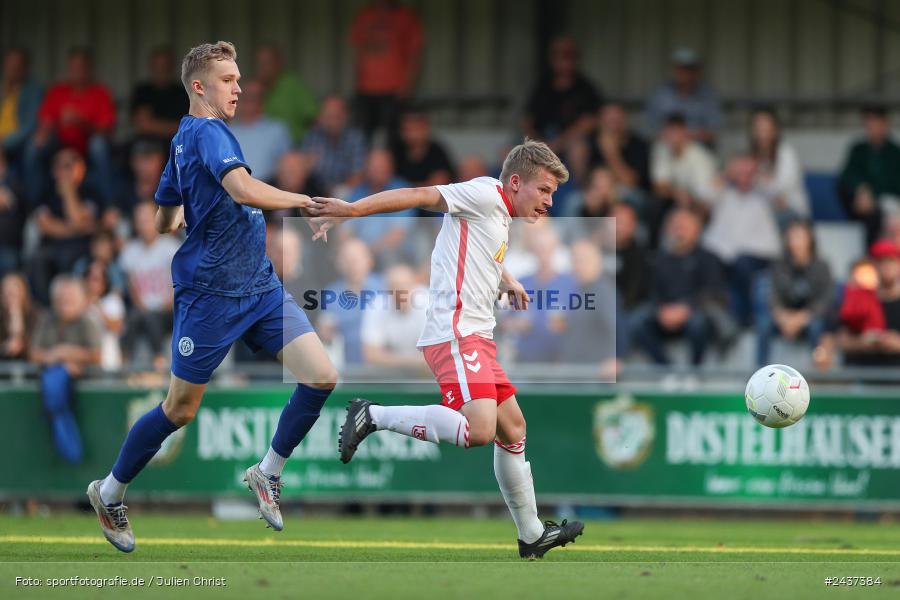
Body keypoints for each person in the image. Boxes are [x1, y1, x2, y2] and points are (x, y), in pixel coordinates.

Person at [86, 42, 338, 553]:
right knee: (179, 409)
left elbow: (162, 217)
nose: (239, 88)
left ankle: (267, 472)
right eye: (229, 80)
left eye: (239, 79)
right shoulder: (205, 131)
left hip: (259, 285)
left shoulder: (183, 140)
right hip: (210, 295)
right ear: (199, 87)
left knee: (321, 375)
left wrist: (182, 214)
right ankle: (109, 492)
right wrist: (306, 202)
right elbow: (243, 190)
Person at [309, 139, 585, 559]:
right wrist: (352, 210)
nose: (549, 201)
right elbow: (420, 195)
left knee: (513, 429)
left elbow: (480, 254)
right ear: (515, 182)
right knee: (479, 430)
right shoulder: (483, 194)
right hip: (456, 333)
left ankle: (532, 534)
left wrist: (507, 279)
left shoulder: (499, 212)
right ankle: (373, 415)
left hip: (478, 336)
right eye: (544, 190)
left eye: (552, 193)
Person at [630, 208, 727, 366]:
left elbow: (714, 292)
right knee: (636, 322)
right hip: (665, 316)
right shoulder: (659, 260)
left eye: (684, 226)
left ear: (697, 230)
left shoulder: (709, 258)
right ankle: (666, 368)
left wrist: (686, 308)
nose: (679, 231)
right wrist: (661, 310)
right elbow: (651, 292)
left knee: (698, 322)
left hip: (696, 314)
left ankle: (695, 371)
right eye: (675, 226)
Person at [26, 48, 115, 203]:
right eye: (74, 67)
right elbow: (45, 122)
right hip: (60, 145)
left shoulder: (100, 92)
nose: (77, 71)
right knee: (34, 147)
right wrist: (46, 131)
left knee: (98, 145)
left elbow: (107, 130)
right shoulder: (57, 91)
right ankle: (33, 205)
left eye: (81, 67)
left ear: (89, 69)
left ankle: (108, 203)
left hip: (87, 147)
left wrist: (81, 123)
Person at [29, 276, 101, 464]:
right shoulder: (46, 318)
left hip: (83, 385)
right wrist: (58, 359)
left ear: (81, 300)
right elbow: (34, 353)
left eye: (69, 298)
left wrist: (65, 352)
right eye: (60, 298)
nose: (64, 303)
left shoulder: (87, 321)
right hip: (51, 383)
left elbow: (96, 356)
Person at [703, 154, 781, 325]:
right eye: (740, 173)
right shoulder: (724, 194)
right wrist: (726, 174)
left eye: (748, 173)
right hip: (723, 252)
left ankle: (744, 318)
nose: (744, 177)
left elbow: (777, 192)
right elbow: (705, 195)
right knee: (707, 260)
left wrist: (758, 173)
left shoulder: (763, 195)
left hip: (758, 253)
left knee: (742, 264)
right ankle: (717, 318)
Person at [755, 221, 833, 366]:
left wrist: (801, 318)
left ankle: (817, 370)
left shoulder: (822, 266)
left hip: (809, 317)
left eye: (799, 237)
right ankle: (761, 370)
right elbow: (772, 296)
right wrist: (783, 317)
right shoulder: (779, 265)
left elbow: (825, 299)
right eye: (792, 237)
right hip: (783, 317)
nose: (795, 242)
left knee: (817, 326)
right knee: (763, 324)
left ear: (809, 239)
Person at [27, 148, 98, 305]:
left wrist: (68, 193)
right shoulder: (45, 193)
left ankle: (72, 303)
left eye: (69, 165)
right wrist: (75, 228)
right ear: (53, 170)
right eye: (59, 165)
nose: (64, 170)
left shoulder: (90, 192)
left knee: (68, 258)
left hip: (80, 247)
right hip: (51, 245)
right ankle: (46, 307)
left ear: (81, 168)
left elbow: (80, 220)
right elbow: (46, 226)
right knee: (37, 259)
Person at [118, 201, 180, 371]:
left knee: (151, 317)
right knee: (135, 317)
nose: (144, 225)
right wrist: (143, 307)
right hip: (143, 310)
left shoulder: (172, 247)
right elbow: (132, 287)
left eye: (147, 219)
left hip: (169, 310)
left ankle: (158, 359)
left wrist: (166, 304)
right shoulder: (129, 251)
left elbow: (180, 284)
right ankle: (124, 361)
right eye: (140, 221)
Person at [350, 0, 424, 142]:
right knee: (361, 136)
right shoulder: (365, 15)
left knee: (395, 138)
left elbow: (414, 54)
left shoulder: (405, 16)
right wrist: (358, 82)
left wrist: (406, 87)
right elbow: (357, 51)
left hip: (393, 89)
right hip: (365, 89)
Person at [501, 225, 576, 364]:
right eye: (539, 249)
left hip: (561, 358)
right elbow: (505, 321)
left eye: (547, 248)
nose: (543, 253)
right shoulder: (522, 282)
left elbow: (582, 322)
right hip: (526, 357)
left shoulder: (570, 282)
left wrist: (565, 324)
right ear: (532, 251)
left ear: (555, 249)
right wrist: (517, 324)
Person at [523, 37, 601, 156]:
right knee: (508, 151)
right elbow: (527, 119)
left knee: (578, 149)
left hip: (570, 141)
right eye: (558, 56)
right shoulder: (542, 86)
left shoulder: (586, 88)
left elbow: (589, 122)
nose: (564, 61)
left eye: (568, 56)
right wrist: (536, 142)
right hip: (541, 140)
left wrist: (558, 143)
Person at [837, 105, 900, 246]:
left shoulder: (895, 152)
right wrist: (861, 190)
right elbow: (848, 175)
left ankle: (874, 253)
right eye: (869, 124)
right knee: (842, 185)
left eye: (876, 123)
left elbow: (895, 186)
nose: (872, 128)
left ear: (885, 124)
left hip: (887, 204)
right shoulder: (858, 149)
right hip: (858, 204)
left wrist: (873, 197)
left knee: (877, 214)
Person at [838, 240, 900, 366]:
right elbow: (841, 340)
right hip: (864, 371)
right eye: (881, 262)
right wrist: (861, 342)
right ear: (874, 266)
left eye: (891, 261)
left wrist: (896, 343)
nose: (887, 267)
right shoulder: (860, 297)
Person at [645, 48, 722, 145]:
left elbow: (714, 129)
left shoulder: (707, 95)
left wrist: (686, 136)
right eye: (680, 68)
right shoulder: (661, 93)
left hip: (698, 146)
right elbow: (649, 127)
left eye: (688, 69)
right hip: (666, 144)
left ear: (696, 72)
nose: (684, 73)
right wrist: (670, 135)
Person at [360, 263, 428, 369]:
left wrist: (388, 359)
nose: (401, 290)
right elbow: (371, 354)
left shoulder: (430, 304)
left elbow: (439, 354)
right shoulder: (377, 306)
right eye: (395, 286)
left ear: (415, 286)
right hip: (390, 374)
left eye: (406, 284)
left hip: (426, 375)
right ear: (387, 289)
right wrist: (415, 362)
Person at [749, 107, 809, 223]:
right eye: (758, 128)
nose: (762, 134)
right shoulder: (751, 157)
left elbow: (782, 193)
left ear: (775, 130)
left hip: (793, 214)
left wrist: (762, 181)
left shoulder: (787, 153)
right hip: (765, 212)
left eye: (766, 128)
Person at [228, 80, 291, 182]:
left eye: (255, 97)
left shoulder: (277, 129)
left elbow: (289, 166)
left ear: (263, 101)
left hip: (270, 185)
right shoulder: (227, 131)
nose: (250, 102)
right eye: (246, 97)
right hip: (235, 187)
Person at [301, 96, 367, 192]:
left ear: (345, 116)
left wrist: (337, 192)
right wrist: (307, 166)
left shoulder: (355, 138)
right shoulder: (312, 136)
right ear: (321, 117)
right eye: (328, 117)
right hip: (314, 191)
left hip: (345, 193)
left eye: (336, 116)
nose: (332, 121)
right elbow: (302, 170)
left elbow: (358, 174)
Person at [254, 44, 318, 144]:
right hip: (265, 147)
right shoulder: (256, 90)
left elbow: (315, 117)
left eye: (267, 62)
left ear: (278, 63)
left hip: (293, 147)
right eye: (260, 63)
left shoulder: (292, 85)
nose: (263, 68)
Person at [586, 102, 651, 196]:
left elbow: (630, 182)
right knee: (575, 200)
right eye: (609, 121)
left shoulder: (638, 145)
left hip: (631, 194)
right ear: (600, 123)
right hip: (598, 191)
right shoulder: (591, 142)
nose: (613, 127)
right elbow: (585, 183)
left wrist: (611, 153)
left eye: (616, 121)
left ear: (624, 121)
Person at [130, 46, 189, 145]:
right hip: (147, 143)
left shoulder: (183, 93)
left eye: (165, 66)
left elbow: (186, 128)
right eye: (158, 66)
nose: (161, 70)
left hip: (176, 143)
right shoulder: (143, 91)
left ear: (172, 67)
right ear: (151, 66)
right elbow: (143, 126)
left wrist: (153, 124)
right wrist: (170, 127)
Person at [390, 107, 454, 186]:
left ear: (426, 128)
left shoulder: (437, 152)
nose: (413, 135)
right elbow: (384, 180)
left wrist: (408, 187)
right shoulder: (396, 150)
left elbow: (439, 184)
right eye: (408, 129)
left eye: (417, 129)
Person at [1, 47, 43, 163]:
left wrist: (4, 142)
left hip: (16, 143)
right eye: (9, 65)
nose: (12, 69)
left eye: (17, 66)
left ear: (25, 68)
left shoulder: (33, 90)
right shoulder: (3, 89)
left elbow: (31, 125)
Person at [0, 272, 36, 361]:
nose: (10, 295)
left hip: (31, 363)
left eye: (14, 292)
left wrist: (16, 315)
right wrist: (5, 347)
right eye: (6, 291)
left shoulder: (35, 314)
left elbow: (38, 345)